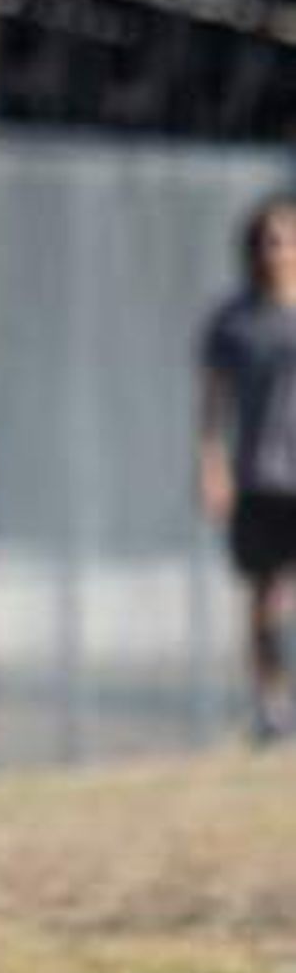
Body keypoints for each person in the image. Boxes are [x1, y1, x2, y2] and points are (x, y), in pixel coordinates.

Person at [198, 193, 296, 743]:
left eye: (282, 240)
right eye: (263, 242)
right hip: (261, 474)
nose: (273, 252)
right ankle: (271, 704)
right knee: (266, 593)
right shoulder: (234, 323)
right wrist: (210, 463)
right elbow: (213, 403)